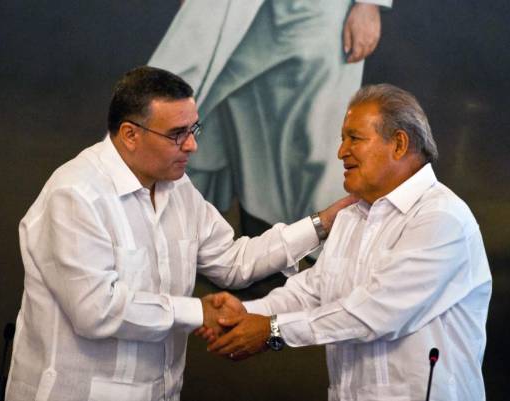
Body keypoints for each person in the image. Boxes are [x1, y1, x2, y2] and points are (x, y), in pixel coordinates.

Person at [4, 66, 354, 401]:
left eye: (194, 130)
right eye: (177, 134)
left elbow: (232, 260)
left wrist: (320, 224)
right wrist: (199, 312)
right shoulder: (75, 195)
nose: (192, 146)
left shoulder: (178, 188)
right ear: (130, 135)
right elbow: (96, 309)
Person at [202, 84, 493, 401]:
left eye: (354, 138)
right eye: (342, 139)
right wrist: (244, 315)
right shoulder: (351, 217)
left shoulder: (441, 218)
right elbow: (313, 292)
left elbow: (375, 313)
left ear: (399, 144)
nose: (341, 152)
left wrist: (270, 330)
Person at [149, 0, 393, 234]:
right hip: (239, 13)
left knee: (314, 136)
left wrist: (368, 4)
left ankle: (310, 251)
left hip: (319, 14)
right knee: (227, 119)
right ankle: (252, 243)